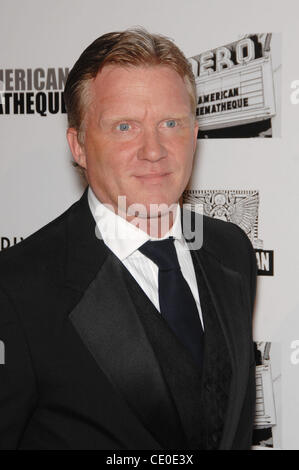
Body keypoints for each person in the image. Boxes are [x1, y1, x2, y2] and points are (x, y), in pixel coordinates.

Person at [0, 28, 257, 450]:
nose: (153, 150)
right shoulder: (16, 289)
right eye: (125, 127)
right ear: (78, 145)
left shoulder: (231, 251)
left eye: (170, 123)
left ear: (194, 135)